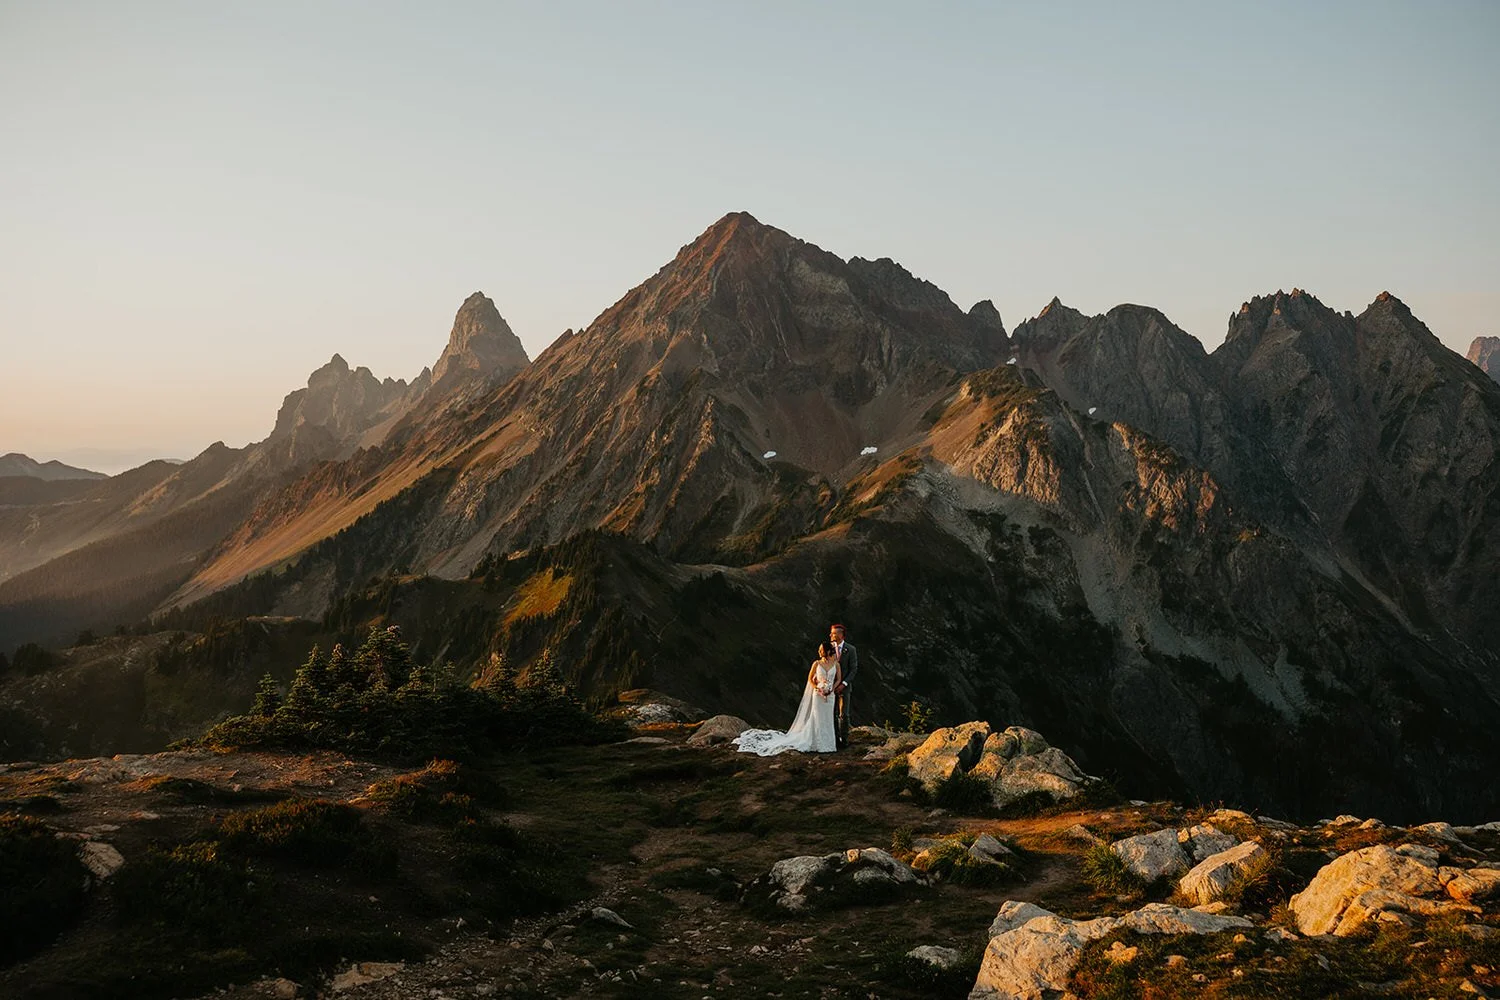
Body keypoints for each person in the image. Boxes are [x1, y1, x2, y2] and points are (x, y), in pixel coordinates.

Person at [732, 642, 841, 756]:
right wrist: (818, 689)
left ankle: (828, 744)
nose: (819, 652)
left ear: (828, 651)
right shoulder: (816, 664)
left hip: (830, 696)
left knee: (827, 718)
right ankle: (817, 743)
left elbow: (838, 679)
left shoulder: (836, 664)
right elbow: (810, 679)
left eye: (821, 650)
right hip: (818, 695)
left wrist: (831, 689)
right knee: (817, 718)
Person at [830, 623, 858, 749]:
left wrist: (844, 683)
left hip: (845, 687)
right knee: (832, 713)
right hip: (831, 687)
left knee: (844, 714)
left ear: (841, 635)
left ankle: (844, 739)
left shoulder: (851, 649)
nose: (831, 635)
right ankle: (835, 739)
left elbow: (853, 669)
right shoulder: (828, 648)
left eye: (834, 633)